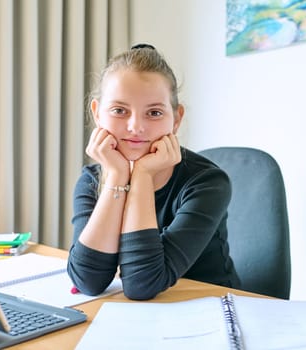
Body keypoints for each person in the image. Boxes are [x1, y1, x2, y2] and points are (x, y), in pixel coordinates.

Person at [67, 44, 240, 300]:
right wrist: (116, 176)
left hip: (211, 311)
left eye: (154, 112)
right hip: (141, 319)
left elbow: (142, 284)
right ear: (97, 113)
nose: (135, 126)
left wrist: (143, 176)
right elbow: (88, 281)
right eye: (119, 110)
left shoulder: (208, 183)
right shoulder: (92, 180)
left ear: (176, 119)